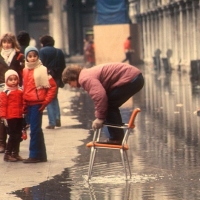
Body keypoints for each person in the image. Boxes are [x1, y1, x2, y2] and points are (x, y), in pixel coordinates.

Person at [62, 62, 144, 144]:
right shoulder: (86, 74)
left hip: (132, 78)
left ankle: (116, 138)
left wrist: (100, 118)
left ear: (73, 77)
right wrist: (100, 114)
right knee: (109, 104)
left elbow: (100, 96)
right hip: (134, 77)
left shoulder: (84, 79)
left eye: (69, 83)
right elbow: (100, 98)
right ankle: (117, 137)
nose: (70, 86)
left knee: (109, 105)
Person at [23, 46, 57, 163]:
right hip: (28, 103)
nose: (32, 59)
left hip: (38, 103)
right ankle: (41, 155)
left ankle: (34, 155)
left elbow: (52, 86)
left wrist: (46, 101)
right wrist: (24, 103)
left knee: (35, 129)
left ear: (38, 57)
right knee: (35, 129)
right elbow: (25, 88)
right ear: (26, 57)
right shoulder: (25, 70)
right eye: (30, 56)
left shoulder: (43, 70)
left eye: (35, 56)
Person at [0, 32, 25, 153]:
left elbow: (22, 71)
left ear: (12, 43)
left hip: (15, 87)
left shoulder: (18, 56)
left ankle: (14, 145)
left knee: (14, 117)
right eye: (4, 42)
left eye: (9, 42)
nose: (6, 45)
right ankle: (2, 143)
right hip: (1, 87)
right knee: (2, 116)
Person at [39, 35, 65, 129]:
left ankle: (52, 122)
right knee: (54, 97)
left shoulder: (42, 51)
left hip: (47, 77)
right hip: (57, 78)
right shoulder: (59, 51)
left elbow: (40, 65)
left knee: (48, 98)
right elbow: (63, 66)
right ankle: (57, 118)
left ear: (43, 43)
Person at [0, 70, 24, 162]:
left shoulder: (20, 90)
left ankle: (15, 153)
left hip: (19, 115)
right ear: (6, 81)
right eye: (11, 80)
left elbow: (23, 103)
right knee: (13, 135)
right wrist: (2, 116)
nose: (13, 81)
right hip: (10, 117)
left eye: (15, 79)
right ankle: (8, 153)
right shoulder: (5, 92)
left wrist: (24, 112)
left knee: (18, 135)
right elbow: (2, 105)